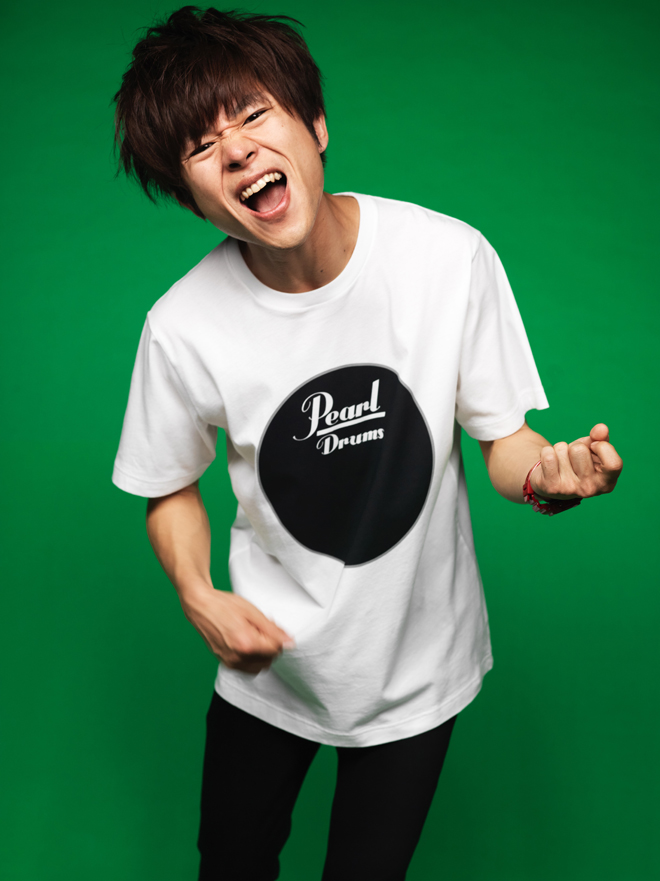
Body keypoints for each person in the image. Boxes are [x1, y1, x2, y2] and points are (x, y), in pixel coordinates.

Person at [111, 7, 623, 879]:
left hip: (418, 670)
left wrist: (549, 476)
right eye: (201, 146)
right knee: (229, 861)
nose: (236, 151)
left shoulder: (447, 259)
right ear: (190, 193)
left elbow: (505, 441)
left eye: (254, 114)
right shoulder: (181, 325)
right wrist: (200, 594)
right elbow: (168, 486)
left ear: (315, 125)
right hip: (269, 668)